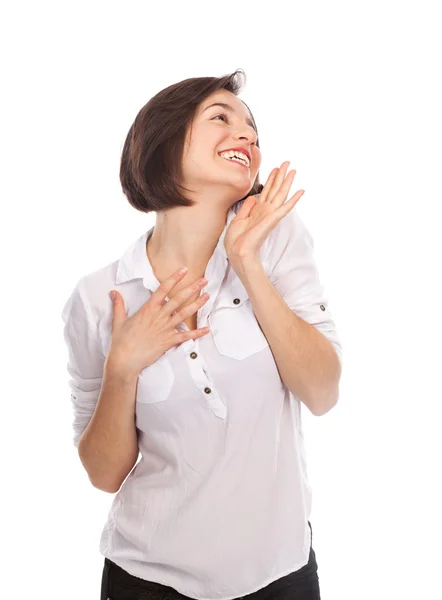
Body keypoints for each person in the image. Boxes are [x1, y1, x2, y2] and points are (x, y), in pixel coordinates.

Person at [61, 69, 343, 600]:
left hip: (280, 576)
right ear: (164, 144)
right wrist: (122, 367)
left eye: (253, 130)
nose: (248, 136)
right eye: (221, 118)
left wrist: (247, 263)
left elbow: (323, 392)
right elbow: (105, 474)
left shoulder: (276, 241)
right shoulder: (100, 297)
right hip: (145, 580)